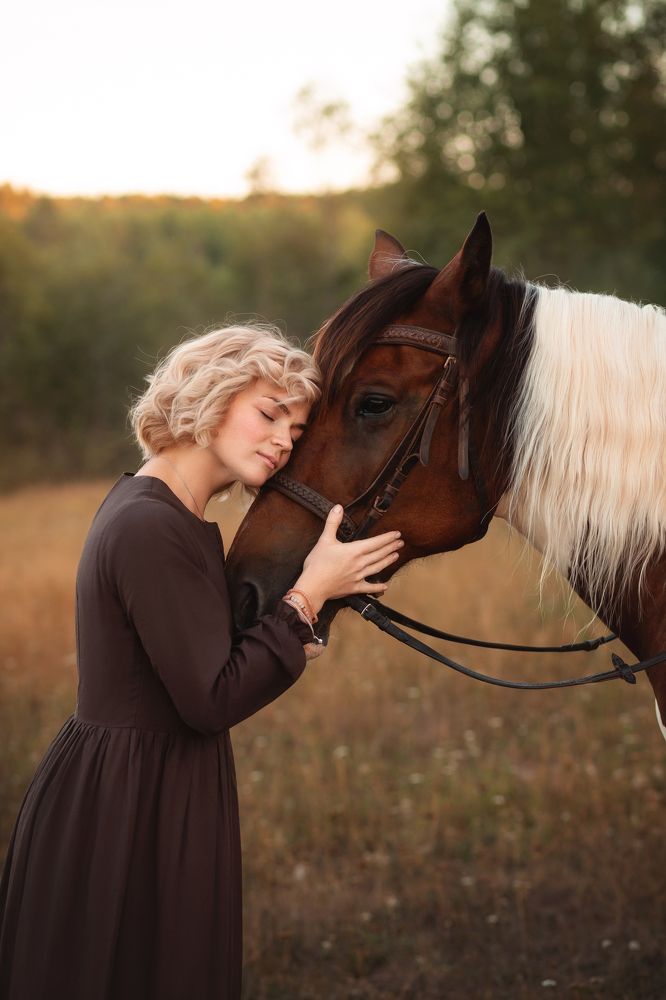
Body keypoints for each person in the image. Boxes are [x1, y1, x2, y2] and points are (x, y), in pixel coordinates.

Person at [0, 323, 403, 1000]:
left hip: (154, 782)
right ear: (210, 396)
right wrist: (308, 596)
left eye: (296, 431)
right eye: (269, 413)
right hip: (127, 805)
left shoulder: (168, 514)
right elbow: (210, 699)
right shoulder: (150, 525)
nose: (283, 440)